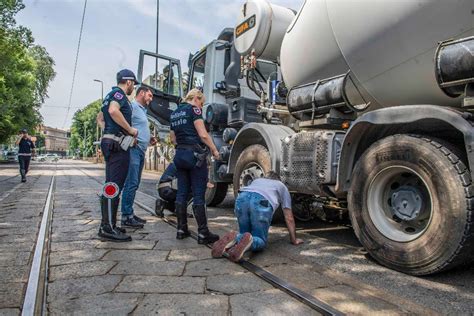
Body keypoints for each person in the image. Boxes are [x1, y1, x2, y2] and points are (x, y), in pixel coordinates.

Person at [212, 171, 304, 262]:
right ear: (278, 179)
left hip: (242, 198)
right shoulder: (281, 186)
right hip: (260, 202)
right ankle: (245, 240)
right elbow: (289, 217)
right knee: (259, 240)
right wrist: (294, 239)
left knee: (245, 235)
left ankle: (235, 238)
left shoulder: (257, 180)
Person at [169, 88, 220, 244]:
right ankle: (203, 233)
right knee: (199, 194)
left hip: (180, 155)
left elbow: (173, 139)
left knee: (182, 193)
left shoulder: (175, 113)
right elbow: (203, 134)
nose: (201, 106)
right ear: (196, 98)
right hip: (194, 157)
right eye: (202, 102)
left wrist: (183, 146)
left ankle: (181, 229)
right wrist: (214, 149)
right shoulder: (194, 110)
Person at [96, 69, 138, 242]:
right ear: (128, 82)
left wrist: (110, 132)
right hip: (117, 145)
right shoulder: (119, 95)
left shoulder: (109, 95)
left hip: (113, 142)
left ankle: (110, 223)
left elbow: (100, 118)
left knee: (112, 184)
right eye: (133, 84)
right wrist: (129, 130)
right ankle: (107, 227)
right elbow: (113, 111)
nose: (133, 87)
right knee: (113, 185)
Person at [120, 86, 157, 228]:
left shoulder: (141, 110)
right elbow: (121, 123)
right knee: (131, 183)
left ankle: (129, 213)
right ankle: (126, 216)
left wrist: (149, 138)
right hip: (133, 150)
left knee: (134, 183)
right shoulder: (132, 107)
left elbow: (138, 127)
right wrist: (129, 135)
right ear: (142, 93)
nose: (151, 99)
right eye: (150, 95)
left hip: (141, 150)